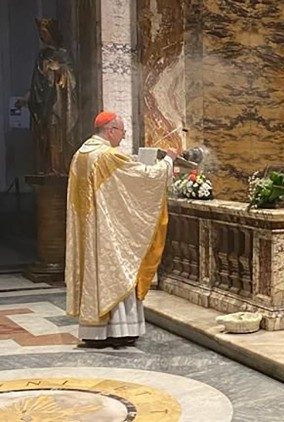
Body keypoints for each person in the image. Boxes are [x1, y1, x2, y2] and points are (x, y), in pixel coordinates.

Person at [66, 111, 178, 348]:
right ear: (110, 130)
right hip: (108, 232)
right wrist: (167, 161)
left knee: (97, 276)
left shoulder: (81, 154)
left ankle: (96, 332)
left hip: (89, 231)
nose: (123, 136)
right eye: (122, 132)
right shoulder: (106, 155)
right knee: (120, 269)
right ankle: (119, 330)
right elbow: (143, 178)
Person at [26, 18, 79, 175]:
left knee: (58, 134)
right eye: (41, 34)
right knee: (46, 136)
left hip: (58, 104)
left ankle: (59, 167)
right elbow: (36, 80)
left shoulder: (62, 54)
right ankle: (47, 167)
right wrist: (44, 74)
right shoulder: (41, 55)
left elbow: (72, 78)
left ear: (52, 33)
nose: (43, 37)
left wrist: (59, 70)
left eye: (45, 33)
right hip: (44, 103)